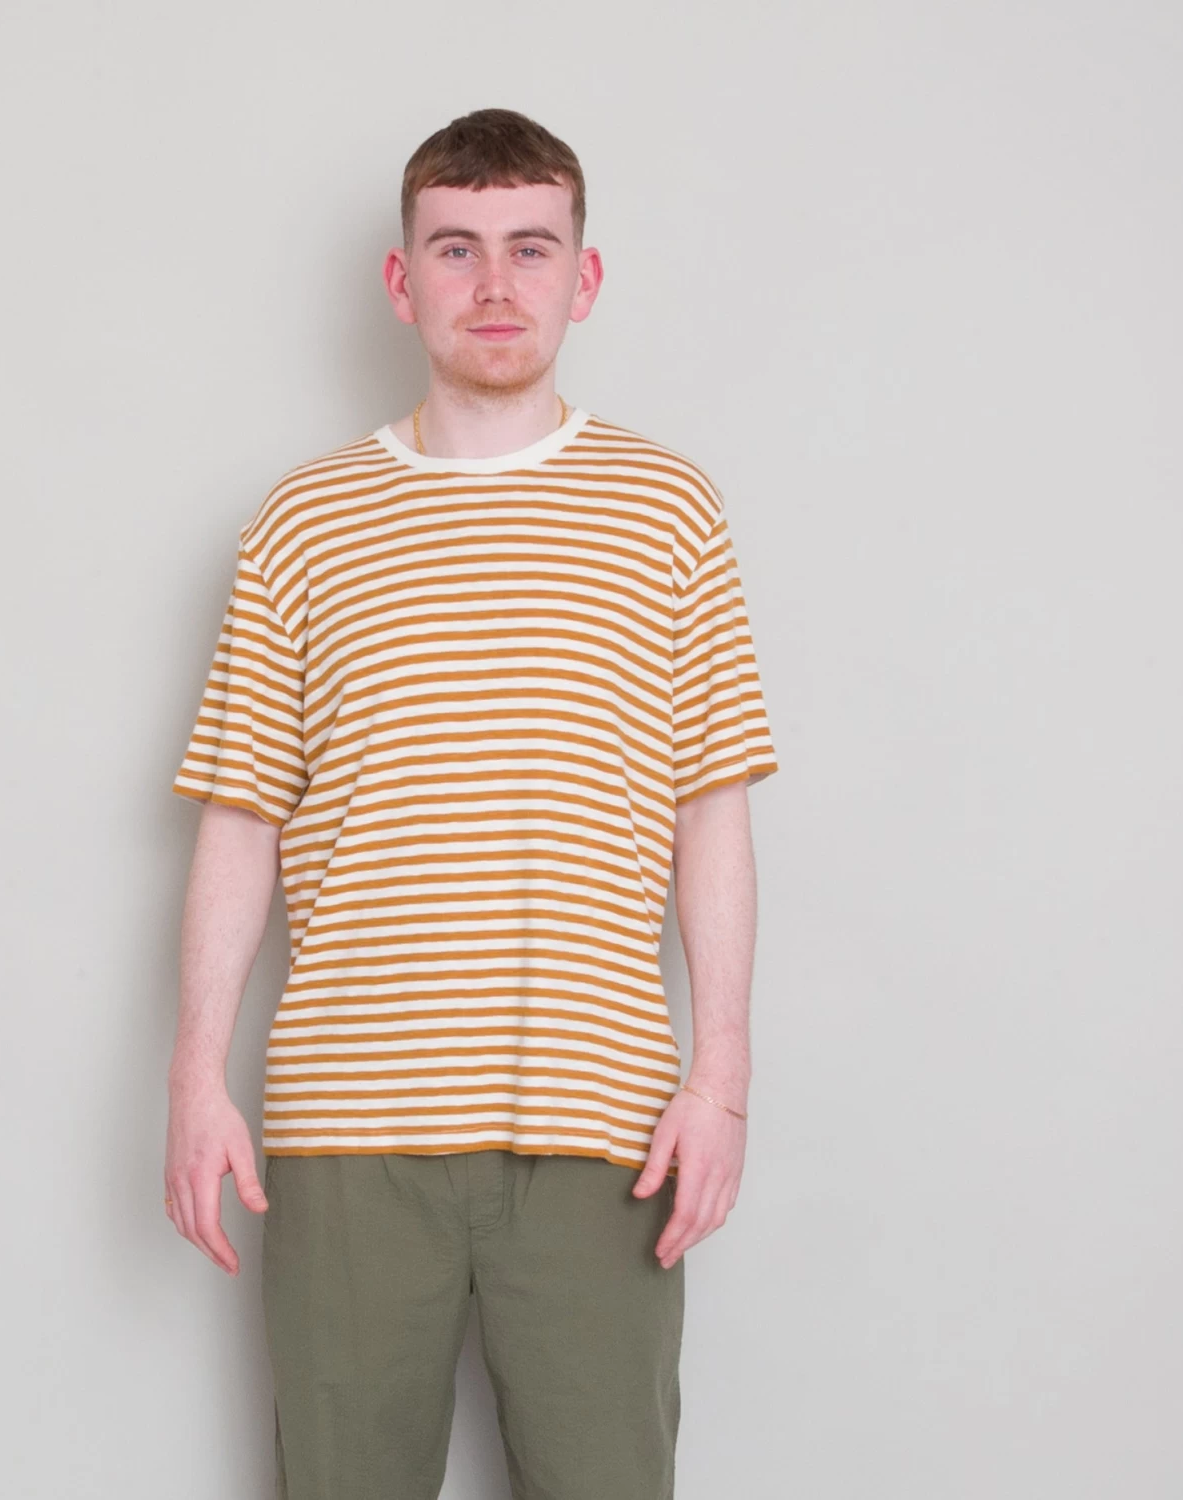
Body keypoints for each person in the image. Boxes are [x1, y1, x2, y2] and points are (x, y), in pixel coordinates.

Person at [163, 106, 780, 1500]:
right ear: (403, 279)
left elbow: (714, 813)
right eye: (457, 248)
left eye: (530, 247)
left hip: (602, 1122)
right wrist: (196, 1078)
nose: (495, 284)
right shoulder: (303, 521)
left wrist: (723, 1081)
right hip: (345, 1125)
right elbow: (241, 818)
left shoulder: (669, 509)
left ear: (584, 276)